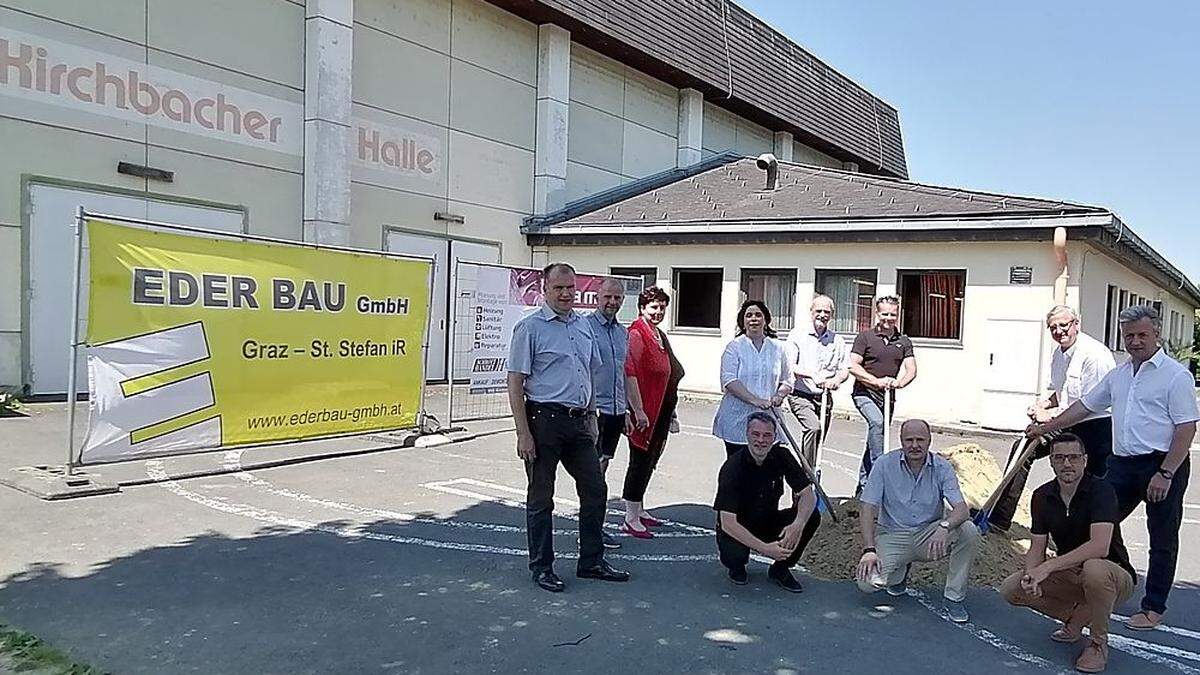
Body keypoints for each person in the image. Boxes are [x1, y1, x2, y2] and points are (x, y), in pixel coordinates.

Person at [1028, 305, 1198, 630]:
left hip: (1162, 465)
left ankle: (1153, 607)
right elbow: (1085, 406)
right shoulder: (1119, 376)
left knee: (1162, 537)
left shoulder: (1176, 376)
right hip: (1121, 465)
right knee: (1093, 525)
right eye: (1129, 336)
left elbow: (1186, 429)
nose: (1135, 341)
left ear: (1156, 334)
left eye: (1141, 335)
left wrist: (1166, 473)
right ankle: (1096, 584)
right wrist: (1046, 427)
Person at [507, 263, 630, 592]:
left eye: (570, 289)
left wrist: (590, 416)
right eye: (558, 288)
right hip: (542, 421)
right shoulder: (530, 328)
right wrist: (523, 433)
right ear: (545, 289)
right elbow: (515, 381)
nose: (565, 294)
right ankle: (542, 567)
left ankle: (591, 561)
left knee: (595, 490)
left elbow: (588, 373)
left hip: (579, 423)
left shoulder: (582, 326)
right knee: (541, 498)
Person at [1000, 434, 1136, 673]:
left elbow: (1100, 546)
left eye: (1073, 457)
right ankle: (1077, 617)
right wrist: (1032, 574)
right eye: (1059, 458)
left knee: (1095, 567)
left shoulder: (1101, 491)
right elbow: (1037, 547)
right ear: (1051, 461)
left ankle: (1097, 644)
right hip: (1072, 573)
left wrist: (1048, 567)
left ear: (1084, 460)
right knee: (1013, 588)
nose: (1066, 464)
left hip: (1114, 575)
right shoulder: (1042, 496)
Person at [990, 305, 1117, 532]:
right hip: (1066, 420)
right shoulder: (1059, 353)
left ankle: (1092, 539)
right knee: (1024, 446)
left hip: (1094, 426)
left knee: (1090, 484)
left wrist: (1048, 418)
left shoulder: (1094, 355)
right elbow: (1061, 393)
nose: (1059, 331)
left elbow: (1089, 404)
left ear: (1076, 324)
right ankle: (998, 518)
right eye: (1053, 328)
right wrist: (1043, 404)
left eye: (1063, 325)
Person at [856, 419, 980, 623]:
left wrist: (944, 526)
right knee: (867, 583)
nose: (915, 445)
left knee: (968, 530)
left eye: (920, 440)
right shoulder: (884, 465)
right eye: (909, 440)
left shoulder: (942, 467)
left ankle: (954, 598)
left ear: (930, 441)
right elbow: (868, 507)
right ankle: (899, 572)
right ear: (901, 441)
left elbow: (962, 509)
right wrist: (869, 550)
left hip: (928, 536)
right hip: (893, 535)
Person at [714, 411, 822, 592]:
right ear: (747, 435)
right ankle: (737, 567)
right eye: (755, 434)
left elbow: (808, 494)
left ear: (774, 437)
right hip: (739, 525)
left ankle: (781, 568)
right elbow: (727, 522)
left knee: (812, 516)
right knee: (734, 557)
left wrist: (798, 524)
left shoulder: (782, 456)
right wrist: (765, 549)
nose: (761, 440)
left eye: (767, 435)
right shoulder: (732, 468)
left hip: (767, 519)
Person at [621, 286, 685, 539]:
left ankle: (640, 508)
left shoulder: (658, 334)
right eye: (653, 307)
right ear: (642, 308)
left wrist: (672, 411)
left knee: (650, 461)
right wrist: (637, 410)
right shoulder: (637, 334)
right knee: (639, 461)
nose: (658, 312)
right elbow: (630, 372)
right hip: (645, 411)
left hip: (661, 410)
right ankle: (630, 516)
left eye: (662, 307)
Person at [849, 295, 917, 493]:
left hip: (887, 397)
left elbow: (911, 369)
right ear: (877, 314)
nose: (888, 318)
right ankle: (882, 473)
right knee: (877, 424)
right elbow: (853, 365)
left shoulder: (903, 341)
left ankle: (863, 487)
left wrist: (899, 383)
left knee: (876, 436)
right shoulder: (865, 337)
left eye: (893, 314)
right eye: (884, 314)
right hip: (865, 393)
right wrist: (874, 381)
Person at [712, 300, 793, 457]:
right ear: (743, 321)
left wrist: (779, 395)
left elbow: (788, 379)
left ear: (766, 320)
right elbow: (729, 380)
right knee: (739, 470)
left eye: (758, 315)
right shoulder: (734, 347)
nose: (753, 319)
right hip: (738, 420)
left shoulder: (778, 348)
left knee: (769, 469)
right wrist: (755, 400)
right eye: (749, 315)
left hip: (768, 420)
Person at [586, 278, 631, 550]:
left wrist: (626, 409)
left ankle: (595, 527)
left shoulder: (622, 333)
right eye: (608, 297)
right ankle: (590, 531)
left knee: (601, 471)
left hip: (615, 411)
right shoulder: (584, 327)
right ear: (597, 297)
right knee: (592, 475)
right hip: (594, 412)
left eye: (617, 298)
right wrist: (589, 412)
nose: (612, 302)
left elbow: (624, 373)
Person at [784, 294, 850, 468]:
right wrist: (812, 375)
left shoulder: (837, 340)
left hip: (824, 397)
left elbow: (845, 369)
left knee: (818, 442)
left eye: (826, 312)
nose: (822, 315)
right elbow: (790, 365)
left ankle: (811, 479)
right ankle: (806, 476)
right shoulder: (797, 335)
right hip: (800, 394)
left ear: (832, 315)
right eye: (818, 311)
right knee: (813, 428)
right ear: (811, 312)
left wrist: (836, 380)